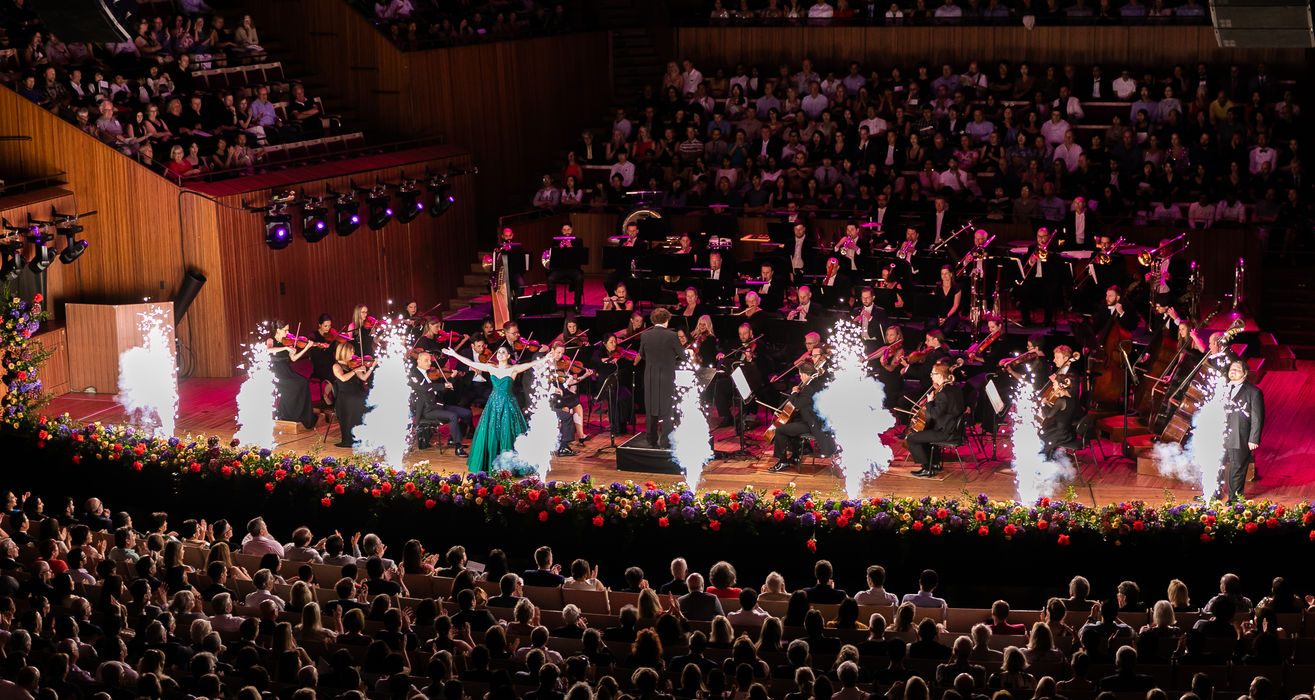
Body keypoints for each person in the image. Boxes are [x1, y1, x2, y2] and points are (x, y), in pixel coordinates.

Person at [442, 345, 540, 473]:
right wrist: (454, 354)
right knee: (491, 432)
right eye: (498, 352)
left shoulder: (513, 369)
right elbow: (471, 363)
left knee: (507, 432)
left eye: (503, 352)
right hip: (493, 404)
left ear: (508, 356)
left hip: (508, 405)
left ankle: (508, 467)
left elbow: (531, 364)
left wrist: (547, 358)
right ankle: (491, 463)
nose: (500, 354)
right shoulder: (491, 367)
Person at [769, 361, 832, 472]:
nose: (800, 378)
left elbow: (798, 404)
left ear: (804, 374)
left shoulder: (809, 388)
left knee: (780, 430)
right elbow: (807, 404)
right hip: (817, 420)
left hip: (813, 424)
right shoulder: (817, 383)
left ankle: (783, 462)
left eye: (800, 375)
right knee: (792, 426)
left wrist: (793, 393)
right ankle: (795, 456)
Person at [905, 360, 966, 477]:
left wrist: (929, 402)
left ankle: (926, 468)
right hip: (955, 430)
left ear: (940, 375)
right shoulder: (955, 389)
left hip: (946, 432)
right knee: (925, 433)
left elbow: (934, 415)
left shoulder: (943, 393)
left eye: (933, 373)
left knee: (912, 438)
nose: (931, 376)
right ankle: (934, 464)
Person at [637, 308, 685, 448]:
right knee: (667, 410)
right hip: (666, 377)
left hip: (650, 377)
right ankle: (665, 441)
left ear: (653, 320)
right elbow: (683, 355)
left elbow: (642, 354)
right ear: (667, 320)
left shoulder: (645, 335)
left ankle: (651, 440)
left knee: (651, 409)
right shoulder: (672, 335)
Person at [410, 352, 472, 457]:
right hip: (427, 410)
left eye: (430, 360)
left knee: (466, 413)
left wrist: (451, 378)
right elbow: (425, 388)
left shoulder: (429, 374)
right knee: (453, 416)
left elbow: (441, 390)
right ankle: (458, 447)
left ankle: (453, 439)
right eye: (426, 360)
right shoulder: (413, 374)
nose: (430, 363)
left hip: (438, 406)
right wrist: (443, 385)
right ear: (418, 361)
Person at [1222, 360, 1264, 501]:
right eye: (1231, 369)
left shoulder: (1254, 392)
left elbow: (1258, 417)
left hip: (1239, 435)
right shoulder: (1221, 388)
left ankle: (1234, 499)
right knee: (1215, 465)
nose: (1233, 371)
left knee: (1237, 467)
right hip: (1219, 434)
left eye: (1237, 369)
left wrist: (1254, 438)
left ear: (1245, 374)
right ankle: (1212, 495)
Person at [267, 322, 317, 429]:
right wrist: (285, 349)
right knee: (293, 385)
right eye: (285, 330)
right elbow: (268, 350)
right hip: (275, 373)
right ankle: (287, 415)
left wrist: (306, 348)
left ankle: (301, 413)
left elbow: (294, 358)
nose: (288, 332)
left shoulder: (287, 342)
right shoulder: (271, 341)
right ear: (278, 330)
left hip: (287, 371)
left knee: (303, 381)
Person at [331, 342, 374, 447]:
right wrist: (355, 370)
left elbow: (363, 377)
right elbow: (343, 378)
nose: (353, 354)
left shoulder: (353, 364)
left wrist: (372, 366)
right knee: (361, 403)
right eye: (351, 351)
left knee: (370, 402)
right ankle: (352, 439)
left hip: (356, 393)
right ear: (344, 352)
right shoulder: (336, 366)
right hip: (345, 397)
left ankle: (366, 436)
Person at [1039, 374, 1080, 459]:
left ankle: (1046, 460)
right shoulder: (1071, 397)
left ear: (1060, 386)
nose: (1053, 386)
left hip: (1061, 434)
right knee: (1043, 433)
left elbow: (1049, 415)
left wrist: (1043, 404)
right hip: (1069, 431)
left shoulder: (1060, 400)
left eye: (1054, 384)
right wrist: (1048, 404)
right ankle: (1050, 457)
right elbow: (1060, 410)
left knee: (1041, 436)